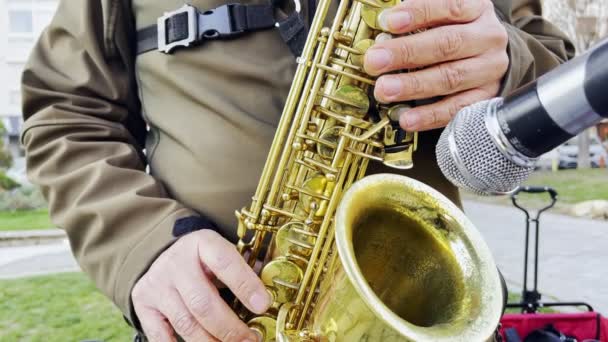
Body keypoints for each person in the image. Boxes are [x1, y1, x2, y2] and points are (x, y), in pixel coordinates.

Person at [20, 0, 573, 340]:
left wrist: (505, 60)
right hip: (224, 320)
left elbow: (554, 63)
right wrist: (141, 244)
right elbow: (66, 112)